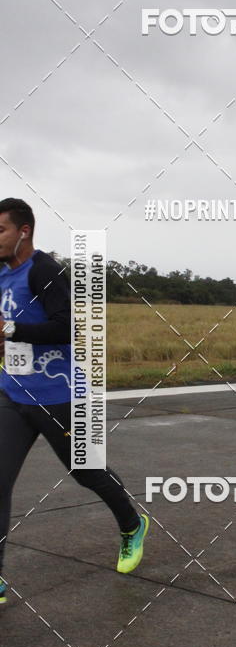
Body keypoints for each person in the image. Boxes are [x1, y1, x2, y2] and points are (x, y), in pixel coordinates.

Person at [0, 198, 148, 606]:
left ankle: (132, 524)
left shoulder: (43, 271)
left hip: (60, 394)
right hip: (12, 393)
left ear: (23, 232)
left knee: (88, 473)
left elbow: (65, 328)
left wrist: (10, 329)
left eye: (0, 231)